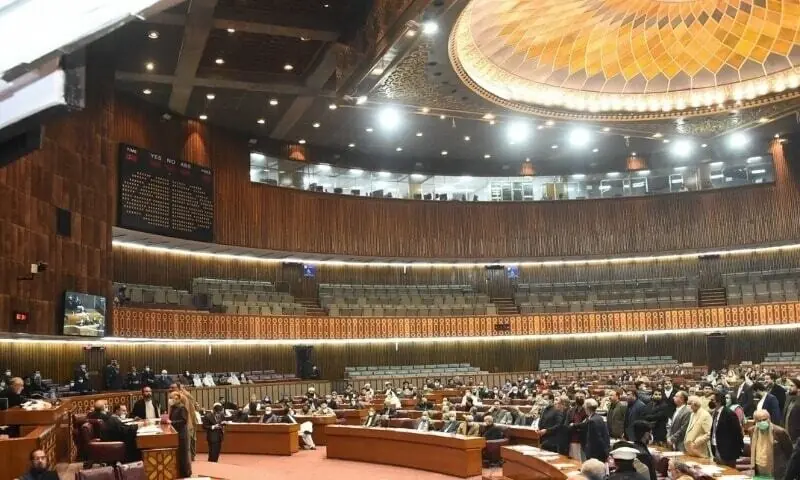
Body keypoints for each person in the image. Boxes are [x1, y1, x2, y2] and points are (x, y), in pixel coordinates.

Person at [751, 409, 794, 479]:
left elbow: (789, 452)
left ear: (769, 419)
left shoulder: (780, 432)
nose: (762, 422)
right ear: (755, 421)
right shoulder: (752, 431)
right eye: (759, 420)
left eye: (764, 419)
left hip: (776, 470)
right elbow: (753, 449)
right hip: (759, 469)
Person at [709, 391, 744, 467]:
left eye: (712, 400)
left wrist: (736, 451)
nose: (710, 402)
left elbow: (737, 433)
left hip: (727, 451)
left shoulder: (729, 414)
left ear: (719, 401)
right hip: (716, 446)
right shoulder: (715, 412)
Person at [168, 391, 192, 478]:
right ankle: (179, 472)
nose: (170, 400)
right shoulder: (173, 407)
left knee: (183, 455)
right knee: (178, 455)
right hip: (175, 434)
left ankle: (185, 473)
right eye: (170, 398)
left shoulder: (182, 408)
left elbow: (183, 421)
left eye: (172, 398)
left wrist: (171, 422)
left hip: (182, 434)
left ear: (178, 399)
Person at [566, 391, 589, 460]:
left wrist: (574, 425)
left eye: (581, 397)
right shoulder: (571, 411)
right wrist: (578, 426)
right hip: (573, 440)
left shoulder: (588, 411)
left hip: (584, 441)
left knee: (583, 461)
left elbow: (586, 424)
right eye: (577, 397)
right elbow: (567, 425)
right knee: (573, 462)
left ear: (585, 398)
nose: (579, 398)